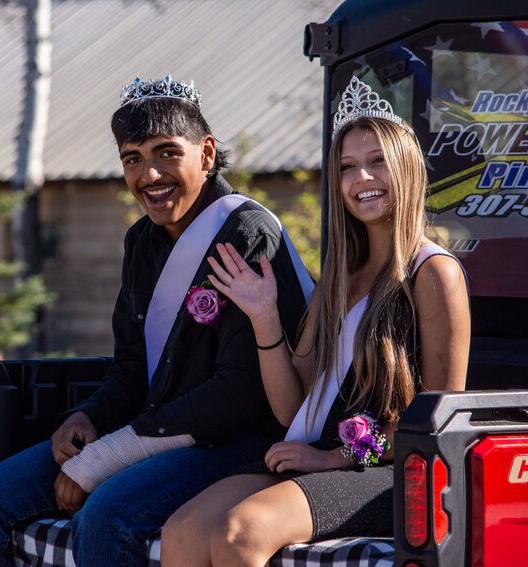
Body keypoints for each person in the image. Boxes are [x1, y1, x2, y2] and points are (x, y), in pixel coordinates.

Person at [0, 75, 313, 567]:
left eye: (166, 153)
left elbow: (241, 393)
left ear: (206, 152)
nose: (149, 175)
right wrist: (88, 418)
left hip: (239, 442)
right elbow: (131, 369)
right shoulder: (141, 240)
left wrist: (107, 457)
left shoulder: (246, 232)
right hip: (156, 431)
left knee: (106, 516)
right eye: (133, 159)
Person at [160, 76, 471, 567]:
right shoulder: (337, 280)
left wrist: (336, 459)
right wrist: (264, 316)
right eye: (347, 167)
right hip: (312, 453)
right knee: (181, 532)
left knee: (240, 533)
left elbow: (440, 426)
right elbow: (291, 410)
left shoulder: (434, 273)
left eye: (377, 162)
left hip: (389, 470)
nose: (361, 179)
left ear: (408, 169)